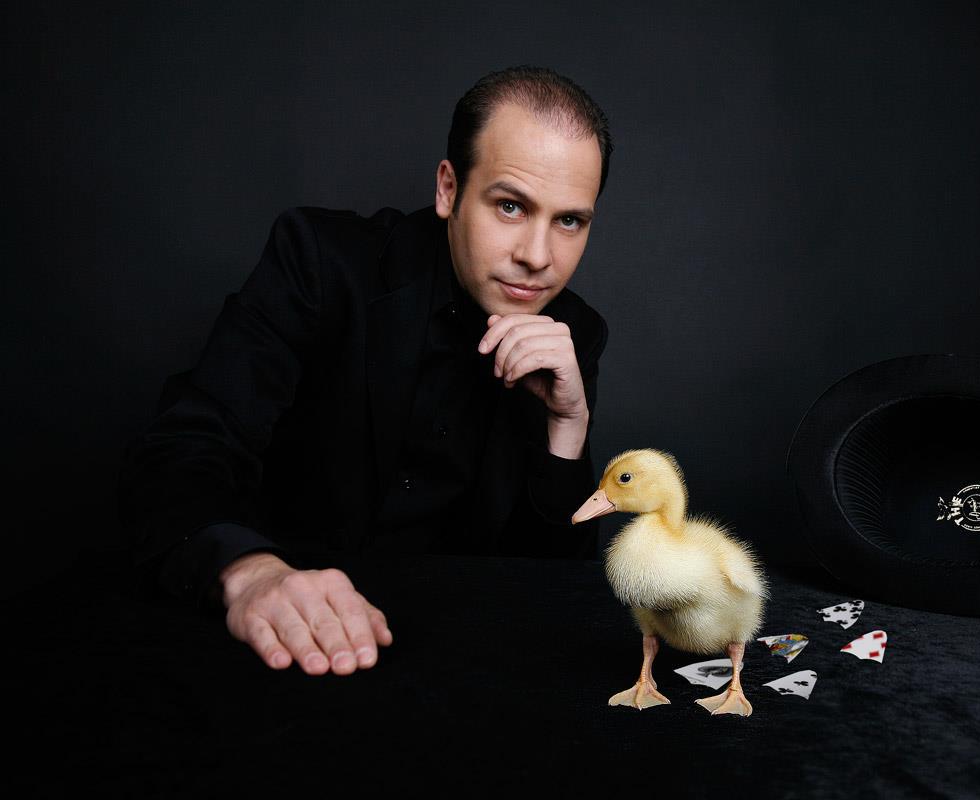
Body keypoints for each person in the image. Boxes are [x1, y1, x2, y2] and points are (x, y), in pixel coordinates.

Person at [117, 66, 613, 678]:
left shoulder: (572, 334)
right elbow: (183, 448)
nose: (537, 257)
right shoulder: (320, 262)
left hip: (453, 666)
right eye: (510, 206)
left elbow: (553, 592)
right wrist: (250, 573)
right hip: (282, 647)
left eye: (569, 221)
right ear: (449, 189)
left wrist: (567, 428)